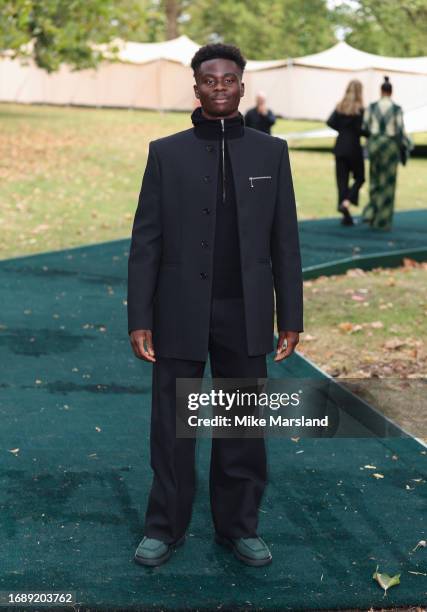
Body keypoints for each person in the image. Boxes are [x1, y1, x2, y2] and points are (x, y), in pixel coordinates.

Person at [127, 43, 303, 568]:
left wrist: (289, 315)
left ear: (243, 86)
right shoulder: (165, 152)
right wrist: (140, 316)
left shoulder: (272, 152)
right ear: (197, 87)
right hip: (178, 310)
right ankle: (164, 528)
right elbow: (147, 242)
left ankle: (239, 527)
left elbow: (285, 242)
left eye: (230, 78)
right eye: (210, 79)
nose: (220, 86)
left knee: (242, 426)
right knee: (173, 427)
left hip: (244, 311)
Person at [361, 76, 409, 230]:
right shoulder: (396, 109)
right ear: (391, 92)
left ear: (381, 91)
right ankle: (383, 220)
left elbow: (365, 127)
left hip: (375, 145)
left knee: (374, 180)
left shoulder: (372, 106)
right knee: (388, 183)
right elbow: (400, 130)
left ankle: (371, 214)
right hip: (389, 146)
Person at [326, 79, 366, 226]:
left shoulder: (340, 107)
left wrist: (342, 130)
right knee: (360, 177)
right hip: (354, 148)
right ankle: (347, 203)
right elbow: (363, 130)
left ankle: (345, 213)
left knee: (342, 182)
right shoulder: (360, 110)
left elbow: (330, 122)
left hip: (340, 147)